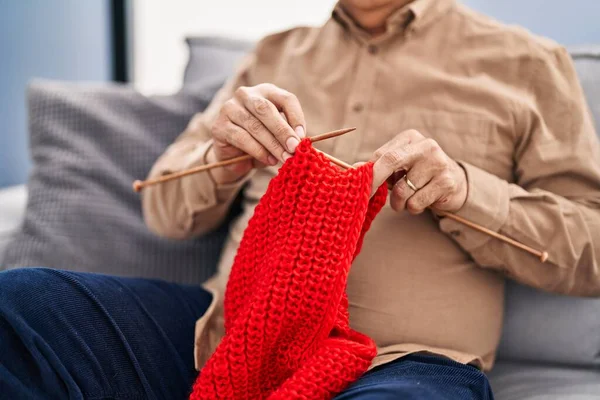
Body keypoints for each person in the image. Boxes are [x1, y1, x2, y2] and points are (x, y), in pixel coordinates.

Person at [1, 0, 600, 399]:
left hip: (404, 363)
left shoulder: (529, 64)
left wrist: (469, 193)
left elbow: (591, 247)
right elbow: (164, 208)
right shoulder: (273, 55)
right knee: (21, 303)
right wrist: (224, 157)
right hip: (223, 330)